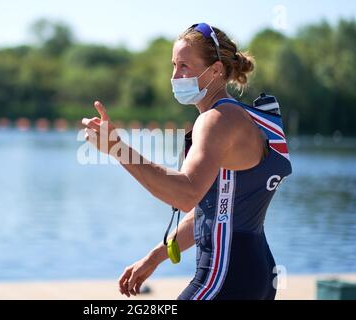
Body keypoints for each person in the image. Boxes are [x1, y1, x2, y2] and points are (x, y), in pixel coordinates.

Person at [81, 22, 292, 300]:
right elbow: (216, 212)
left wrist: (118, 149)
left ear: (215, 70)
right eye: (173, 65)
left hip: (224, 275)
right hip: (258, 274)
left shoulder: (215, 121)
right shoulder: (242, 118)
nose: (175, 75)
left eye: (184, 66)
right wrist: (155, 256)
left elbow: (186, 194)